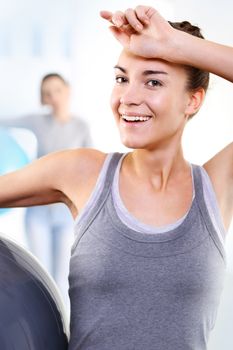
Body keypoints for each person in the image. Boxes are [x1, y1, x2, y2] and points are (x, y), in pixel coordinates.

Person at [0, 5, 232, 349]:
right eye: (122, 78)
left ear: (193, 100)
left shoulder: (217, 186)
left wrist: (176, 45)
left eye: (153, 81)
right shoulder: (81, 172)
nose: (128, 98)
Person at [0, 73, 92, 308]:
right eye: (48, 93)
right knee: (39, 276)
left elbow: (90, 167)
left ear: (67, 90)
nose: (54, 97)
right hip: (38, 212)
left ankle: (61, 332)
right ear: (44, 98)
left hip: (65, 214)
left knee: (61, 277)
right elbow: (5, 121)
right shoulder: (37, 122)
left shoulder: (81, 127)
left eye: (57, 91)